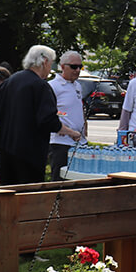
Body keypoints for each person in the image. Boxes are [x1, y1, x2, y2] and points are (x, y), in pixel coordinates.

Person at [0, 45, 81, 185]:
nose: (50, 68)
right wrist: (71, 132)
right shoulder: (40, 86)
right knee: (28, 194)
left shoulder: (10, 81)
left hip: (5, 148)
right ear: (44, 61)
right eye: (51, 63)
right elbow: (48, 120)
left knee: (7, 192)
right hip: (29, 152)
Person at [48, 50, 87, 181]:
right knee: (59, 179)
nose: (77, 70)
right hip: (61, 142)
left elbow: (77, 108)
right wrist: (64, 120)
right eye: (73, 67)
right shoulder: (53, 86)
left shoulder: (77, 86)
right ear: (63, 66)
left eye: (80, 67)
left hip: (79, 141)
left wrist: (84, 124)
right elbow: (52, 113)